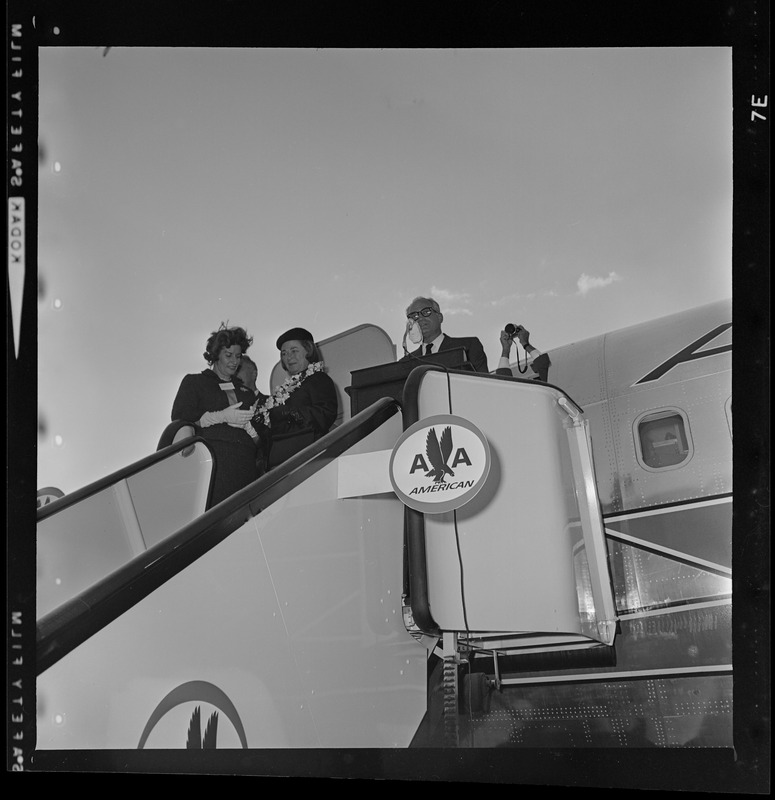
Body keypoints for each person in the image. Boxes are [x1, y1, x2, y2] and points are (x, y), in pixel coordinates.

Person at [171, 324, 261, 508]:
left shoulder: (246, 392)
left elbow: (261, 439)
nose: (234, 361)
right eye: (228, 355)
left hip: (245, 462)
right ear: (215, 355)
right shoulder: (195, 382)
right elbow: (181, 416)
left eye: (237, 356)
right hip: (215, 460)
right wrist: (219, 416)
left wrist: (252, 431)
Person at [249, 327, 338, 468]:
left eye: (294, 351)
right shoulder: (286, 388)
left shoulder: (319, 379)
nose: (288, 357)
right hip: (283, 459)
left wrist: (290, 412)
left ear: (308, 351)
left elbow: (325, 414)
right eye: (284, 353)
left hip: (308, 458)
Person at [400, 296, 490, 373]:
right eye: (414, 316)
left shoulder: (468, 346)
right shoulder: (406, 362)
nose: (420, 319)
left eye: (426, 312)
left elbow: (484, 383)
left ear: (440, 317)